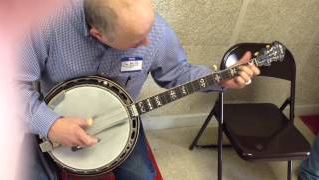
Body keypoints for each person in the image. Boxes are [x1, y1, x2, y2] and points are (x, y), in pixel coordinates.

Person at [19, 0, 260, 179]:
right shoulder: (46, 24)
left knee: (142, 176)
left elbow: (177, 73)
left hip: (123, 117)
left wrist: (221, 79)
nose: (149, 42)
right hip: (53, 116)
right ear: (98, 34)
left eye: (150, 31)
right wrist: (50, 124)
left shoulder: (154, 31)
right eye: (137, 42)